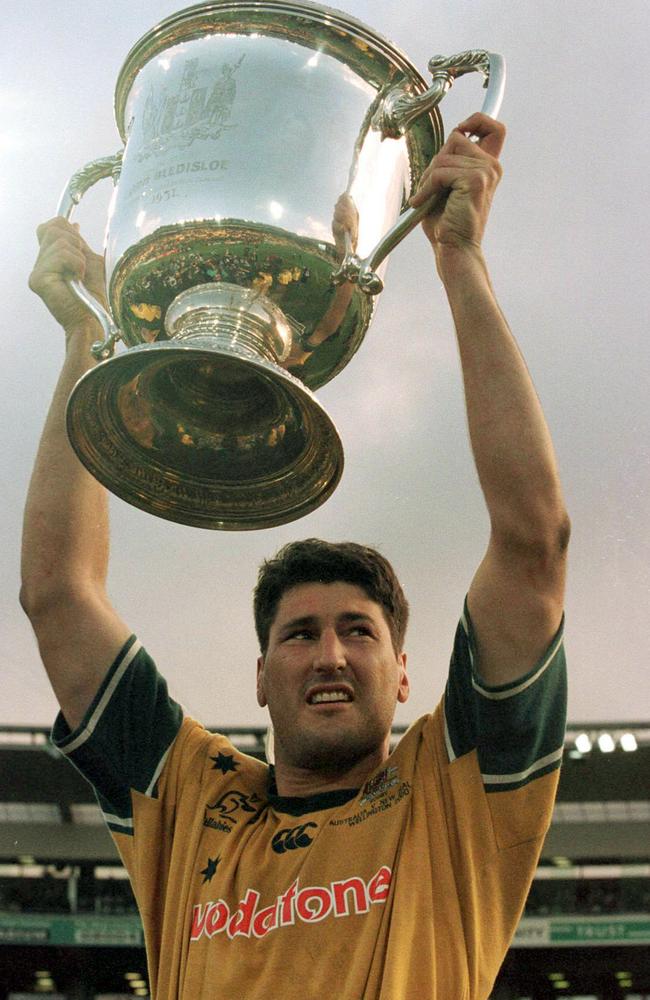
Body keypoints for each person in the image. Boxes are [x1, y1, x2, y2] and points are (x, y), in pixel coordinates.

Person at [22, 113, 570, 999]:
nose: (329, 654)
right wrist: (85, 335)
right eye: (299, 634)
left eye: (359, 632)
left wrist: (459, 264)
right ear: (260, 676)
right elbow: (56, 593)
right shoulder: (191, 801)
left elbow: (534, 541)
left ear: (401, 673)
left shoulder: (452, 795)